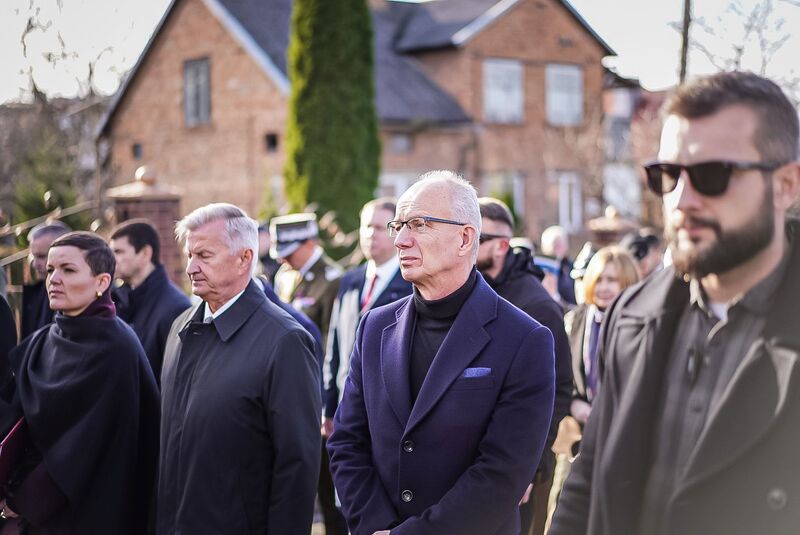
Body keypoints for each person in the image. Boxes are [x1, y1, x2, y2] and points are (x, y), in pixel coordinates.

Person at [550, 72, 800, 535]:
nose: (682, 200)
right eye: (667, 175)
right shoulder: (632, 315)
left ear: (786, 185)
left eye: (712, 175)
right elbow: (588, 482)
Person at [328, 171, 555, 535]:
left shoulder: (524, 339)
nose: (400, 240)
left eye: (418, 224)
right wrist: (375, 525)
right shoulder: (374, 327)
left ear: (465, 238)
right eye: (399, 225)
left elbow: (501, 474)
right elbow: (347, 441)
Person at [157, 203, 321, 535]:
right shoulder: (179, 328)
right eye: (190, 255)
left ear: (244, 258)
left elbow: (297, 465)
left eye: (204, 256)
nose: (191, 268)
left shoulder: (284, 340)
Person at [0, 231, 159, 534]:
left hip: (88, 513)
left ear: (101, 282)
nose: (53, 279)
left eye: (68, 270)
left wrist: (24, 499)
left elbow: (83, 446)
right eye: (50, 270)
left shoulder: (117, 349)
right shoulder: (44, 338)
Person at [476, 197, 573, 535]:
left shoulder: (536, 306)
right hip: (469, 462)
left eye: (478, 238)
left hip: (516, 473)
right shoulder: (469, 290)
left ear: (502, 245)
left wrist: (525, 469)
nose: (466, 243)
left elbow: (557, 391)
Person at [270, 211, 346, 535]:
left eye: (290, 251)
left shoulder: (334, 279)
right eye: (281, 253)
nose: (284, 259)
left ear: (311, 242)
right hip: (289, 392)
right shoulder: (284, 277)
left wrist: (326, 403)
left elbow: (333, 343)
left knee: (330, 486)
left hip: (319, 395)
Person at [323, 198, 412, 437]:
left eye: (381, 228)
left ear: (397, 232)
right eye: (367, 227)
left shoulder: (411, 285)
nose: (371, 234)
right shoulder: (349, 281)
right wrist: (329, 406)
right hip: (347, 406)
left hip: (387, 413)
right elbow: (335, 344)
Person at [564, 246, 639, 428]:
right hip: (583, 428)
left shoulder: (640, 322)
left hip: (626, 427)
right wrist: (573, 403)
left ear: (627, 281)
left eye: (612, 280)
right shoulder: (576, 319)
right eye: (598, 280)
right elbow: (564, 373)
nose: (603, 288)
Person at [110, 219, 191, 380]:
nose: (112, 259)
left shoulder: (176, 307)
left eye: (119, 252)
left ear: (145, 253)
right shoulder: (115, 300)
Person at [20, 222, 70, 339]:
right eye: (33, 256)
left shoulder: (74, 296)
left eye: (42, 256)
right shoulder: (36, 293)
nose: (35, 264)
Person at [541, 226, 576, 306]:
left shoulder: (573, 269)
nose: (558, 248)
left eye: (560, 244)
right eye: (554, 244)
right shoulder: (538, 269)